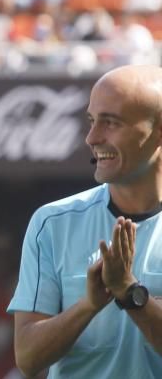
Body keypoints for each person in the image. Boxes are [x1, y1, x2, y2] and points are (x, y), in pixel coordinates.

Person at [8, 64, 162, 378]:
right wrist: (89, 305)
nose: (92, 137)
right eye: (92, 121)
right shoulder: (51, 224)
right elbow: (27, 357)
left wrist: (130, 293)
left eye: (111, 122)